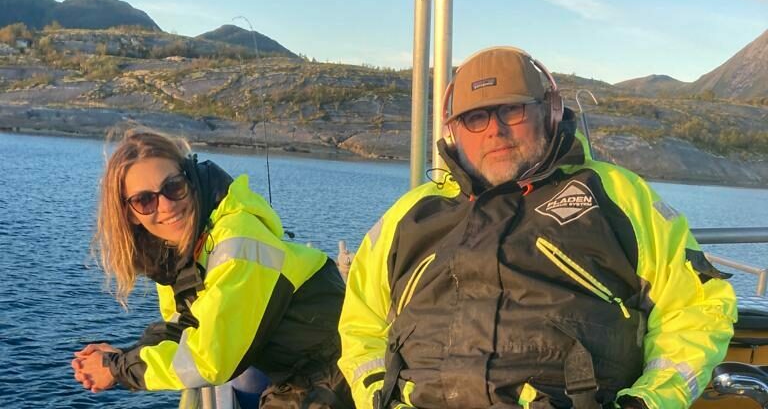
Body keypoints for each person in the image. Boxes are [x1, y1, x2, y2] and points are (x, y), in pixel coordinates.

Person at [337, 47, 737, 409]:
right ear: (453, 132)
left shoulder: (616, 195)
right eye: (475, 117)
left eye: (512, 110)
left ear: (551, 110)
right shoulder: (411, 213)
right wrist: (377, 396)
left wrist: (648, 402)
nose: (495, 130)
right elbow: (362, 322)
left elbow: (695, 308)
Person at [71, 128, 353, 408]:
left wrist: (117, 369)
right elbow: (186, 327)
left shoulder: (236, 240)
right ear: (129, 213)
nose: (167, 205)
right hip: (293, 368)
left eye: (173, 187)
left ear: (190, 180)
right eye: (145, 200)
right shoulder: (176, 252)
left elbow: (208, 360)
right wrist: (122, 356)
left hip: (334, 366)